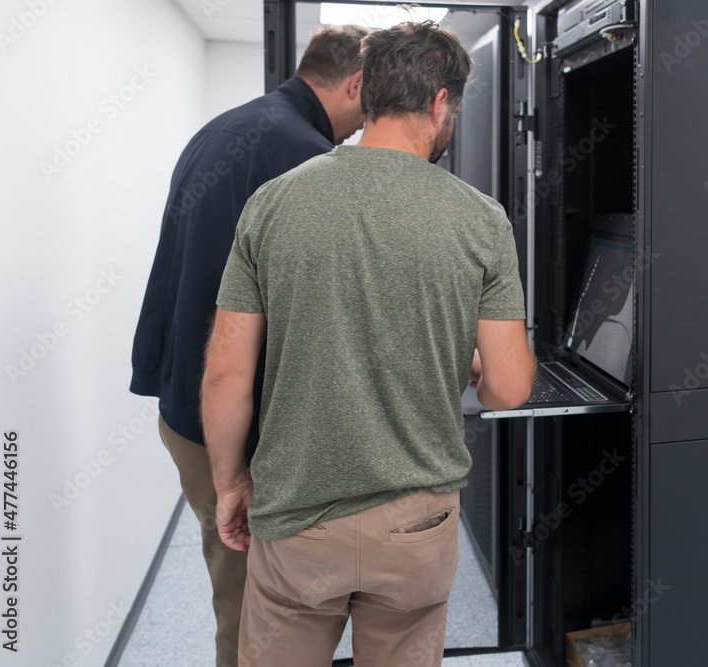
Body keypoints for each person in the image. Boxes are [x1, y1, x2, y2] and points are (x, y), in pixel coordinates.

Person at [200, 20, 537, 667]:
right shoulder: (480, 219)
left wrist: (230, 483)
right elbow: (510, 386)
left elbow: (225, 373)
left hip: (297, 519)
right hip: (415, 527)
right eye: (455, 110)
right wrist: (468, 364)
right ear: (441, 103)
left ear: (371, 91)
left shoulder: (274, 203)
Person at [128, 24, 369, 667]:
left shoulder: (226, 127)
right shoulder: (303, 156)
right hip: (236, 426)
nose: (367, 126)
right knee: (261, 622)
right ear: (356, 84)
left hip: (187, 408)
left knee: (237, 600)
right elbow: (318, 311)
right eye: (372, 106)